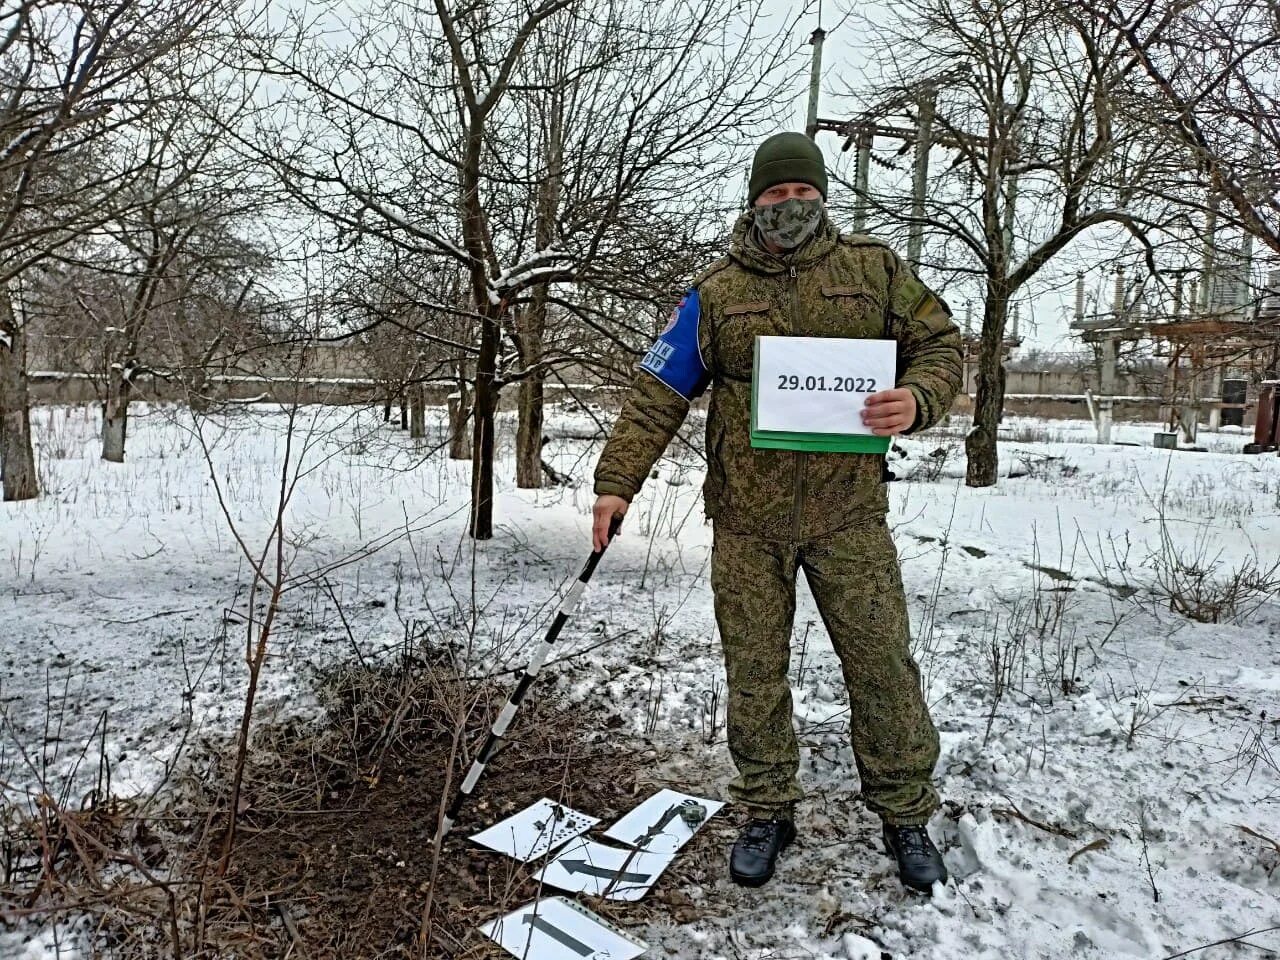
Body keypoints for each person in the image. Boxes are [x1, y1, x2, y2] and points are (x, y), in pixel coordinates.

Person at [590, 132, 963, 893]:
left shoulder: (874, 270)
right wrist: (615, 481)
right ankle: (767, 807)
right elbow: (658, 392)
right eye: (774, 194)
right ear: (754, 200)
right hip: (748, 522)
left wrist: (918, 399)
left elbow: (942, 346)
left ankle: (904, 812)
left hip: (848, 516)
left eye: (801, 193)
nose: (788, 206)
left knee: (883, 667)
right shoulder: (716, 291)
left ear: (820, 196)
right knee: (755, 672)